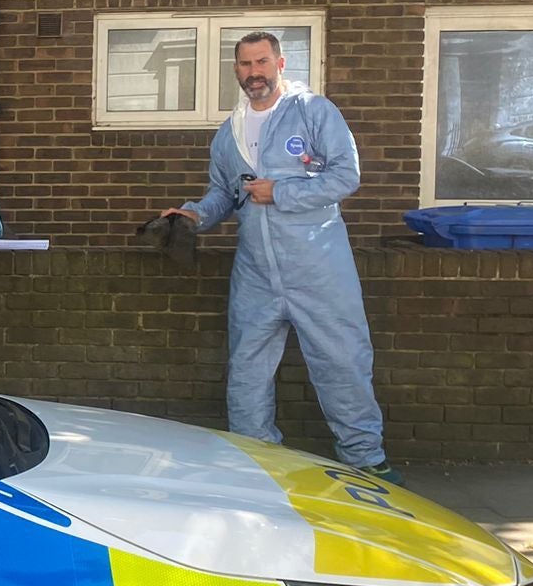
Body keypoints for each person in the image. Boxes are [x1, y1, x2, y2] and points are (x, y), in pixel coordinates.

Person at [157, 31, 398, 481]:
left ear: (280, 64)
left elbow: (346, 176)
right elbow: (224, 194)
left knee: (342, 363)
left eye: (262, 62)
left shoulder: (313, 112)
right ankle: (256, 462)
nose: (255, 73)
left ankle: (367, 461)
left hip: (319, 267)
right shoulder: (229, 133)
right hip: (256, 273)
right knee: (247, 370)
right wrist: (194, 215)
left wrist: (281, 192)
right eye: (246, 64)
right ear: (236, 70)